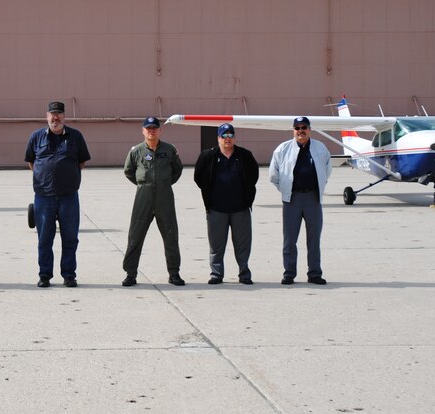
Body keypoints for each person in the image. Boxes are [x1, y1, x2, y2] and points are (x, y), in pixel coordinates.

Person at [24, 101, 91, 288]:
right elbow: (31, 162)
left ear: (64, 116)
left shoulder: (75, 136)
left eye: (59, 114)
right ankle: (44, 275)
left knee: (70, 237)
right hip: (43, 196)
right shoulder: (36, 137)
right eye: (52, 114)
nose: (56, 118)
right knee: (44, 237)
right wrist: (44, 176)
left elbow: (81, 162)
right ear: (47, 116)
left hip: (68, 196)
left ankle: (69, 275)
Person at [121, 117, 185, 287]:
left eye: (154, 128)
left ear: (159, 131)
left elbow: (177, 170)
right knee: (136, 235)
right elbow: (129, 171)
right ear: (143, 131)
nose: (151, 131)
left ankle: (174, 273)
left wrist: (164, 183)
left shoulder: (169, 149)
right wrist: (144, 184)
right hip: (144, 196)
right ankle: (130, 274)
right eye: (148, 128)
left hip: (165, 197)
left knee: (171, 235)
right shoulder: (136, 151)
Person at [193, 123, 259, 285]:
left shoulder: (245, 155)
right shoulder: (207, 156)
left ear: (234, 138)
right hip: (216, 209)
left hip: (240, 208)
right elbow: (198, 177)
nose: (227, 139)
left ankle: (244, 273)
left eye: (230, 135)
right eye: (224, 136)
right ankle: (216, 274)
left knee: (243, 245)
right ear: (218, 138)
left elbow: (253, 176)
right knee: (216, 245)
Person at [269, 116, 331, 285]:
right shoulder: (282, 149)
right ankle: (289, 273)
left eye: (304, 127)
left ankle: (314, 273)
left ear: (309, 129)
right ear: (293, 130)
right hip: (292, 199)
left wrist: (319, 187)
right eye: (297, 128)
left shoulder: (320, 148)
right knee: (289, 239)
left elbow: (327, 170)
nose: (300, 131)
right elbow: (273, 175)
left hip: (313, 198)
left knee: (314, 238)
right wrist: (285, 190)